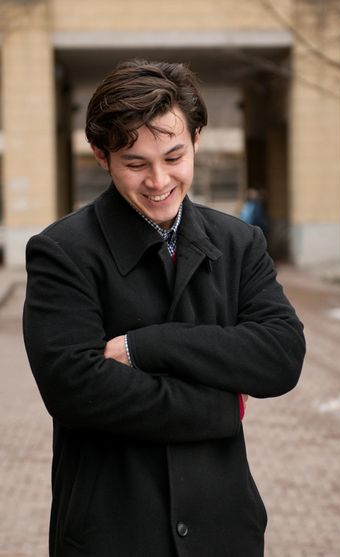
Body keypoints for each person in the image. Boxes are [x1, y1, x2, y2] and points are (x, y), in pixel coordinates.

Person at [23, 59, 305, 557]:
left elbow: (281, 356)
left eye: (174, 157)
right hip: (112, 531)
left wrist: (147, 345)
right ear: (101, 156)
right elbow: (75, 387)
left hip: (225, 529)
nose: (159, 181)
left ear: (197, 138)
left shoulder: (240, 242)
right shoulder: (62, 251)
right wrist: (217, 406)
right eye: (136, 163)